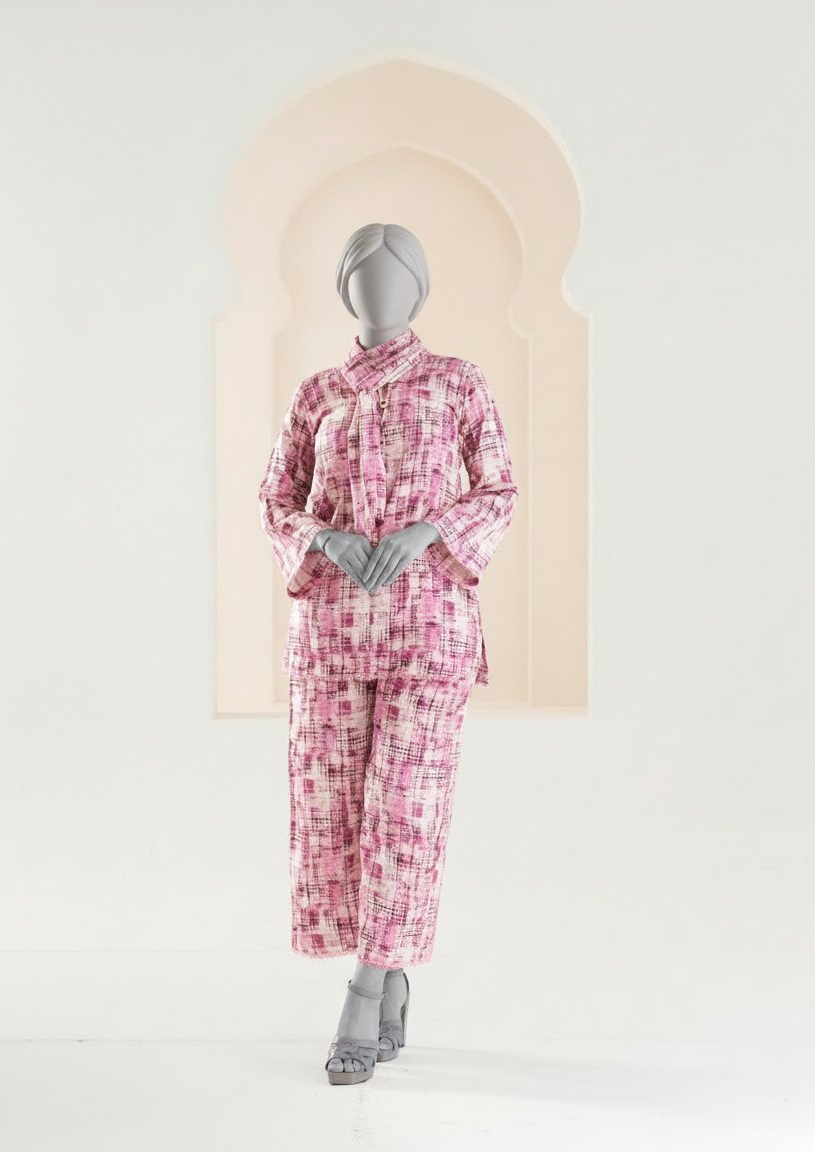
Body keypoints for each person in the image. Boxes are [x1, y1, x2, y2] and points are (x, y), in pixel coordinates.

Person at [258, 223, 518, 1085]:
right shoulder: (317, 394)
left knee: (405, 811)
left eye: (396, 275)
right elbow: (275, 496)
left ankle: (364, 993)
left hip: (428, 628)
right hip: (330, 632)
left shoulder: (457, 383)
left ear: (420, 289)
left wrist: (426, 532)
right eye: (364, 277)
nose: (381, 291)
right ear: (344, 291)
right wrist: (324, 538)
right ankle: (391, 966)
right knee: (332, 813)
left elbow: (499, 488)